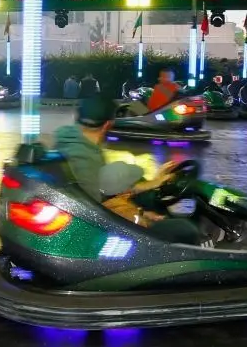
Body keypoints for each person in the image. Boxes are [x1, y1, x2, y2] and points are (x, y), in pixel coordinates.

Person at [52, 95, 201, 243]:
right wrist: (142, 218)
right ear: (107, 125)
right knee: (185, 230)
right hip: (95, 232)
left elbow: (105, 194)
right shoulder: (85, 159)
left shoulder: (70, 142)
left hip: (83, 216)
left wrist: (149, 192)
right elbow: (101, 209)